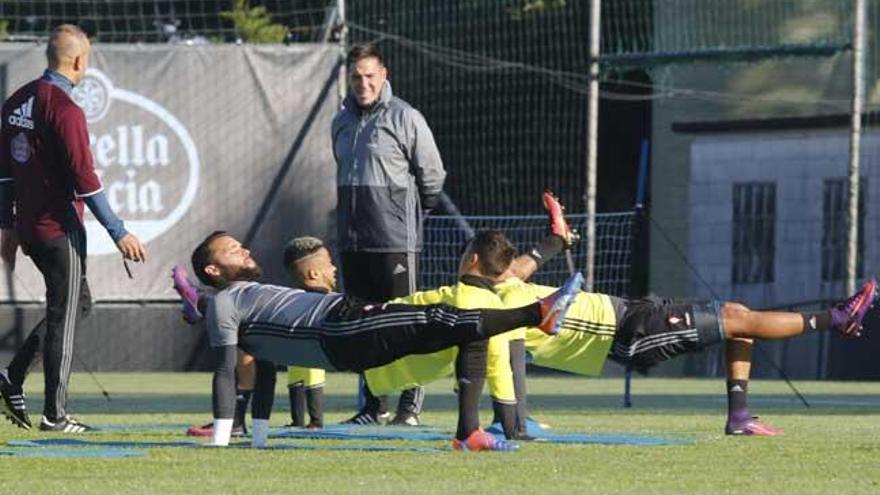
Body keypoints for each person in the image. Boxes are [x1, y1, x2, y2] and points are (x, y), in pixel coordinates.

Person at [188, 230, 581, 447]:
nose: (244, 249)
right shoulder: (225, 303)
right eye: (233, 250)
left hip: (343, 330)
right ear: (213, 268)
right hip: (339, 327)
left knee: (459, 332)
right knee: (442, 318)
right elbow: (226, 371)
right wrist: (223, 439)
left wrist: (259, 437)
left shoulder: (247, 298)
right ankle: (537, 313)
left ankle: (467, 433)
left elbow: (266, 363)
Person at [0, 24, 147, 433]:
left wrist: (7, 226)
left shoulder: (17, 100)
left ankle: (12, 377)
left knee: (76, 304)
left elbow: (5, 174)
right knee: (65, 314)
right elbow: (86, 179)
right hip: (58, 227)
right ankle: (55, 414)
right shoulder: (66, 110)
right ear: (79, 61)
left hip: (31, 227)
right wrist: (120, 232)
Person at [332, 43, 446, 426]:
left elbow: (432, 175)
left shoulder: (406, 117)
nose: (363, 83)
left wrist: (412, 214)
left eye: (370, 76)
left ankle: (409, 407)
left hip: (395, 240)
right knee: (363, 325)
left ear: (384, 77)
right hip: (353, 241)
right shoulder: (341, 121)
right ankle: (372, 406)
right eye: (356, 77)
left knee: (405, 322)